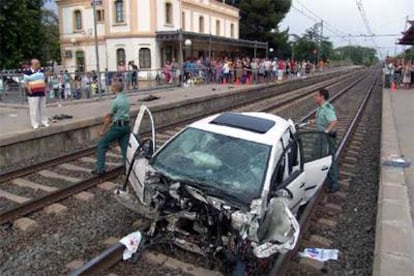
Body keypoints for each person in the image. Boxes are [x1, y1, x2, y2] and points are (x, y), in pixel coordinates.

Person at [92, 81, 130, 176]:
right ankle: (129, 169)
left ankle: (100, 169)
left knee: (101, 144)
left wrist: (102, 130)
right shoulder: (126, 99)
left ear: (116, 89)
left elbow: (109, 117)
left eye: (112, 87)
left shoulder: (116, 101)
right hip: (126, 126)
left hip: (118, 127)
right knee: (125, 148)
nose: (111, 89)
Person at [311, 88, 338, 193]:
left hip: (327, 136)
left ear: (322, 97)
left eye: (316, 95)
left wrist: (327, 131)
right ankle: (318, 177)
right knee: (315, 155)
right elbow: (321, 119)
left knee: (330, 158)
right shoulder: (320, 108)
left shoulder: (327, 108)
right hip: (321, 136)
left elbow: (334, 121)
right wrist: (312, 121)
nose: (315, 97)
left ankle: (334, 183)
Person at [23, 59, 49, 129]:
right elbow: (25, 82)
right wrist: (28, 88)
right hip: (33, 92)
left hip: (41, 91)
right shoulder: (27, 72)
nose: (39, 65)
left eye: (39, 63)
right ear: (33, 64)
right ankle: (34, 123)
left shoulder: (41, 71)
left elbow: (43, 80)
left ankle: (44, 121)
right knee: (33, 109)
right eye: (37, 64)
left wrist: (45, 88)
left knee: (43, 108)